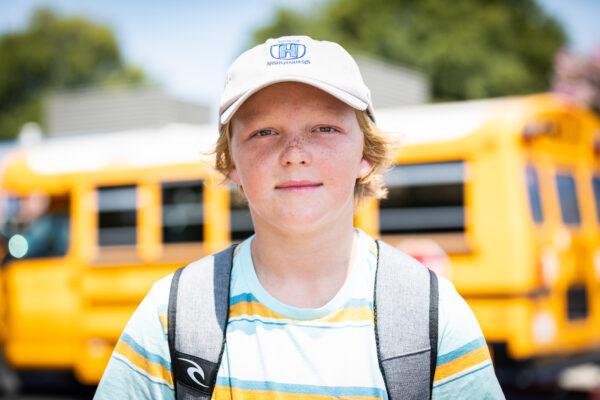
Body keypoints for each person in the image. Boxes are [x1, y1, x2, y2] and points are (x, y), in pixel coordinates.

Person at [94, 35, 505, 399]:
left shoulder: (431, 317)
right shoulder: (173, 316)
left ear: (365, 153)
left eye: (324, 129)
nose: (295, 153)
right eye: (264, 132)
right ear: (231, 161)